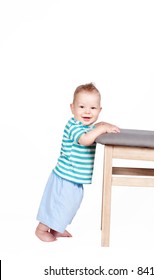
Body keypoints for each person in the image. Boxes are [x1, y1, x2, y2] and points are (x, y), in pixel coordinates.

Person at [35, 83, 120, 242]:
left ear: (99, 110)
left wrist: (102, 125)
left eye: (93, 108)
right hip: (65, 177)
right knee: (56, 204)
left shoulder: (89, 126)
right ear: (72, 108)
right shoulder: (73, 126)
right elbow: (85, 140)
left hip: (75, 178)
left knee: (68, 206)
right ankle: (41, 229)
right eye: (82, 107)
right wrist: (101, 128)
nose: (87, 111)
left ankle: (56, 227)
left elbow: (94, 129)